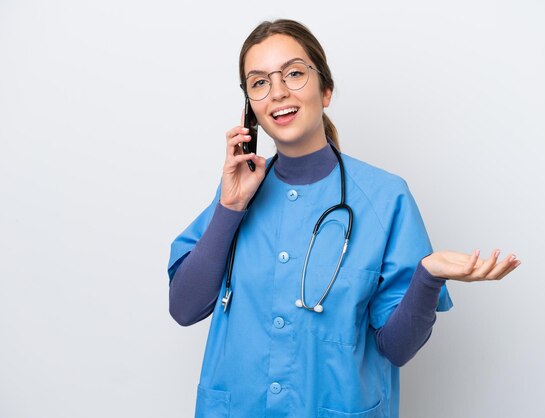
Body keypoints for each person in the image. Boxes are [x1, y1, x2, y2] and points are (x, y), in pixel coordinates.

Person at [167, 19, 520, 418]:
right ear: (251, 108)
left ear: (326, 90)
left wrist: (427, 274)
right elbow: (184, 308)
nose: (278, 91)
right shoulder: (238, 192)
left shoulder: (386, 197)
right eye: (259, 82)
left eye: (294, 73)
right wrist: (229, 209)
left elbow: (398, 348)